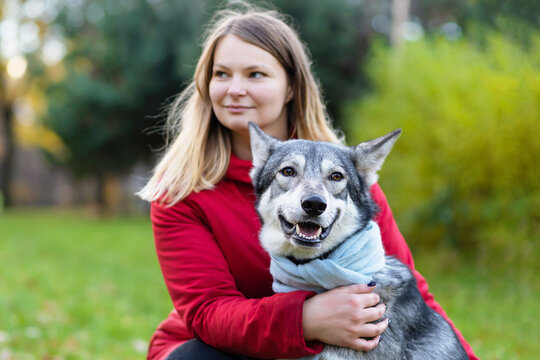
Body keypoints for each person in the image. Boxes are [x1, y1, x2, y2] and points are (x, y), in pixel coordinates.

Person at [138, 4, 478, 360]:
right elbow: (209, 312)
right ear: (206, 84)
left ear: (290, 88)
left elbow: (409, 289)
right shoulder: (179, 191)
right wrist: (305, 319)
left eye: (255, 74)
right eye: (222, 74)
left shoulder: (345, 182)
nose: (235, 89)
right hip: (222, 345)